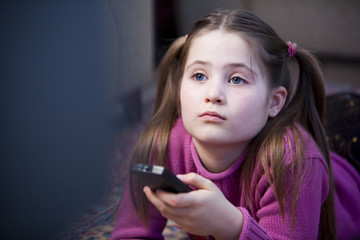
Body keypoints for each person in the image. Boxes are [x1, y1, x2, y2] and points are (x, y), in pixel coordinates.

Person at [111, 9, 360, 240]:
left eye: (236, 79)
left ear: (274, 102)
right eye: (199, 76)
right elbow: (130, 234)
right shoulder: (162, 144)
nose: (213, 94)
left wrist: (231, 225)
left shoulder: (293, 161)